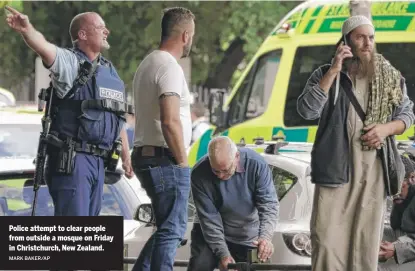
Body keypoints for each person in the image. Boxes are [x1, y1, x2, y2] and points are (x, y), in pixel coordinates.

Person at [297, 15, 415, 271]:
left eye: (371, 37)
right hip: (335, 170)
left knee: (364, 243)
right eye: (360, 37)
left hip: (373, 171)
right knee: (326, 239)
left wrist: (385, 129)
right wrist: (334, 70)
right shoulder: (326, 73)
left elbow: (407, 114)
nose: (367, 43)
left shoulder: (390, 77)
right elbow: (307, 110)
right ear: (347, 40)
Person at [5, 6, 134, 216]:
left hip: (100, 163)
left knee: (88, 240)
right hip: (74, 161)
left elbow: (116, 117)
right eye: (100, 27)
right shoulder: (71, 63)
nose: (106, 31)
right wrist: (27, 30)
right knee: (74, 238)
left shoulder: (109, 71)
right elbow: (45, 49)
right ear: (82, 35)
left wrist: (126, 157)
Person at [130, 7, 195, 271]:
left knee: (166, 228)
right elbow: (170, 120)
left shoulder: (148, 63)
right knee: (173, 229)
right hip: (164, 160)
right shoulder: (169, 67)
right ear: (185, 35)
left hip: (147, 155)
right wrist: (182, 162)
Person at [188, 136, 279, 271]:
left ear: (237, 157)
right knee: (200, 265)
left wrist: (265, 237)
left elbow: (268, 205)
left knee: (261, 264)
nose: (220, 175)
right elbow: (209, 219)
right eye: (215, 171)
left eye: (225, 170)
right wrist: (223, 254)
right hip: (209, 232)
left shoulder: (256, 164)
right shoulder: (199, 173)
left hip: (247, 232)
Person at [378, 155, 415, 271]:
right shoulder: (401, 195)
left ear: (412, 178)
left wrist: (396, 249)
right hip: (406, 237)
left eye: (398, 188)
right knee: (367, 234)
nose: (393, 195)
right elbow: (397, 227)